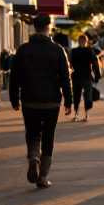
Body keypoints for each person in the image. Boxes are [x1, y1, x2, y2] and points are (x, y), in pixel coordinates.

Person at [9, 13, 72, 188]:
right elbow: (65, 78)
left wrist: (14, 98)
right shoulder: (58, 50)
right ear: (48, 27)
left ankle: (33, 155)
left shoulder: (23, 50)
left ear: (34, 28)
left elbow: (14, 77)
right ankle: (43, 175)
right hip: (51, 101)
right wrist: (68, 101)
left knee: (32, 132)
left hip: (30, 100)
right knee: (49, 135)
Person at [69, 34, 101, 122]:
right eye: (81, 41)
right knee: (77, 96)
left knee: (87, 96)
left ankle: (85, 114)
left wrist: (97, 75)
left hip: (84, 76)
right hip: (79, 76)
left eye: (82, 41)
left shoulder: (88, 50)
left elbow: (95, 63)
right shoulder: (77, 51)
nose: (82, 42)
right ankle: (77, 114)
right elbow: (71, 64)